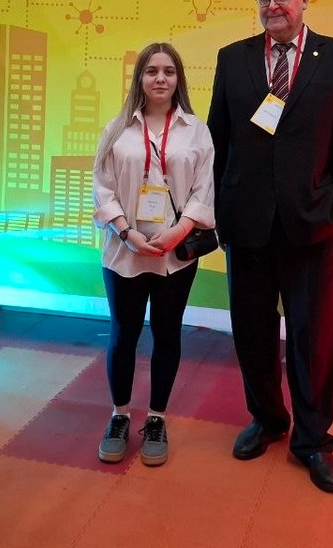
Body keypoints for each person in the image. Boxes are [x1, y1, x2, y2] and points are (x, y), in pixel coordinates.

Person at [207, 0, 333, 493]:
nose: (272, 6)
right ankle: (268, 419)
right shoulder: (233, 59)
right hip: (246, 223)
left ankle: (313, 440)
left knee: (311, 337)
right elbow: (218, 140)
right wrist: (215, 210)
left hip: (312, 224)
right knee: (252, 332)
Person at [91, 42, 215, 467]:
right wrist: (126, 233)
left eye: (169, 71)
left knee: (167, 333)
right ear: (139, 78)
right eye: (151, 71)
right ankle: (120, 415)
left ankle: (157, 418)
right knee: (123, 334)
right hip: (123, 251)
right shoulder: (117, 129)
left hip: (175, 255)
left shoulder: (196, 130)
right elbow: (102, 188)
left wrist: (177, 233)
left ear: (179, 79)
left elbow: (203, 191)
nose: (160, 78)